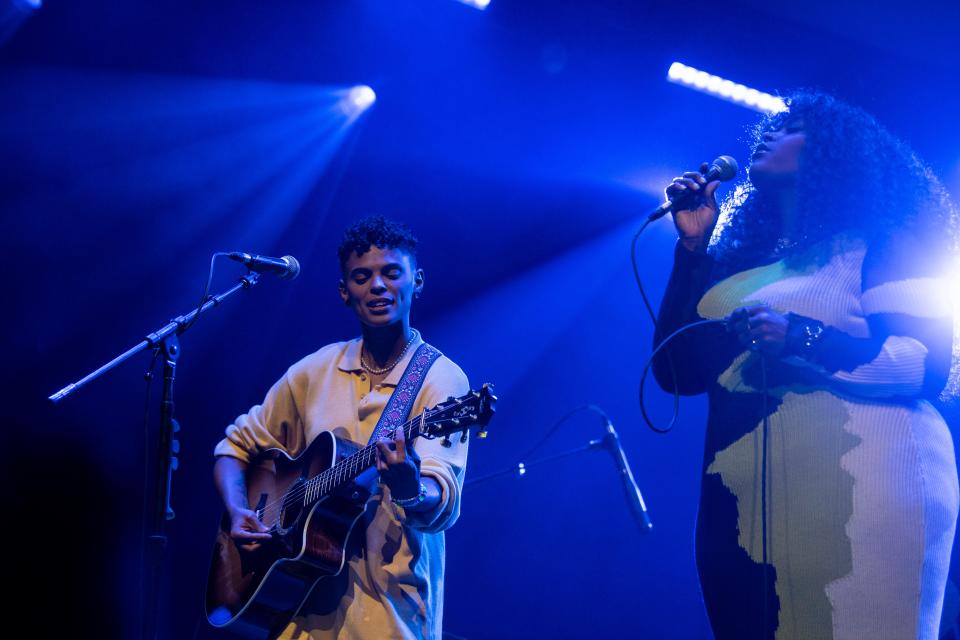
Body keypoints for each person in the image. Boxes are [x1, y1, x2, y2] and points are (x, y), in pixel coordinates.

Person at [653, 91, 960, 639]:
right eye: (770, 124)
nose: (769, 132)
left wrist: (801, 335)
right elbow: (677, 372)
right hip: (740, 505)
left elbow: (921, 366)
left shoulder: (885, 240)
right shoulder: (743, 263)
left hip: (864, 486)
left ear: (835, 152)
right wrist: (694, 251)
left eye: (791, 127)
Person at [213, 215, 470, 639]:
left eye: (391, 273)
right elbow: (234, 448)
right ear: (344, 291)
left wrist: (409, 487)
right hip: (296, 613)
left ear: (417, 281)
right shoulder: (314, 370)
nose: (378, 286)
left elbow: (440, 499)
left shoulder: (442, 380)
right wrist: (241, 510)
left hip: (389, 614)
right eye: (362, 277)